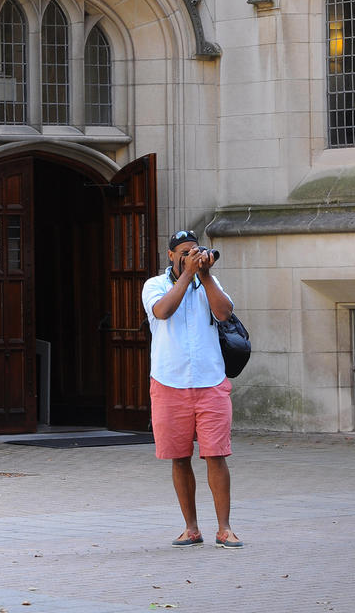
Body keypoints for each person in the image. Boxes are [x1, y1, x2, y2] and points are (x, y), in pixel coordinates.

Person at [141, 228, 243, 549]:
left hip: (210, 382)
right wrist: (187, 275)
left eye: (195, 251)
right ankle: (191, 528)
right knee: (179, 457)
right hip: (169, 383)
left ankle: (224, 529)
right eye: (184, 253)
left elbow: (224, 313)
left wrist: (206, 276)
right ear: (170, 255)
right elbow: (162, 311)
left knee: (216, 455)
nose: (190, 257)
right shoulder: (154, 285)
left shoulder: (208, 282)